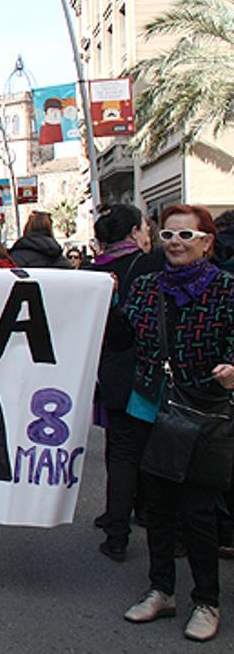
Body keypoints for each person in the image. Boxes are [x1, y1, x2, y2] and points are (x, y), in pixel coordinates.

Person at [120, 205, 234, 643]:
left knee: (198, 511)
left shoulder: (225, 288)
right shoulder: (146, 286)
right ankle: (161, 590)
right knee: (157, 506)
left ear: (207, 242)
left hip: (200, 409)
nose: (175, 243)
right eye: (167, 234)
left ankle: (206, 601)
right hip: (150, 405)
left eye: (186, 235)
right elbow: (122, 334)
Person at [84, 205, 159, 562]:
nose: (148, 233)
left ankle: (115, 526)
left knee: (120, 449)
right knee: (142, 450)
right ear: (133, 232)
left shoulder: (89, 272)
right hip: (143, 370)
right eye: (145, 227)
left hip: (105, 370)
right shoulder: (150, 265)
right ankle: (137, 516)